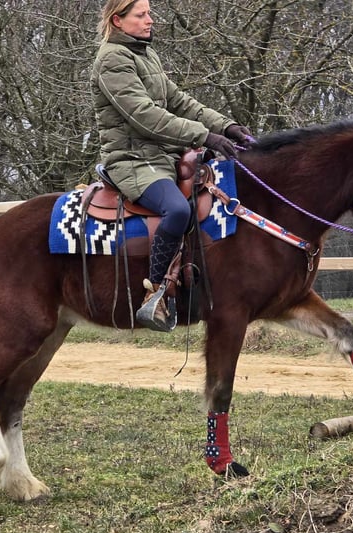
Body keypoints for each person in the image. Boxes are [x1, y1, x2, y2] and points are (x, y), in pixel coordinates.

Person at [91, 0, 253, 332]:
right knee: (177, 210)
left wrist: (226, 126)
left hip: (163, 157)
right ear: (118, 21)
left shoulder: (144, 54)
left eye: (149, 13)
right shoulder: (111, 60)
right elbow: (144, 116)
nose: (151, 20)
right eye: (141, 14)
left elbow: (179, 102)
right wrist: (204, 136)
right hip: (133, 160)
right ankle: (156, 293)